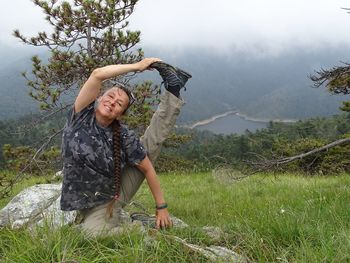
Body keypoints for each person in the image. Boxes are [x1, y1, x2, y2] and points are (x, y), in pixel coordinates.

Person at [60, 58, 192, 235]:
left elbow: (148, 169)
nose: (113, 102)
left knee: (91, 236)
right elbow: (97, 75)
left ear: (120, 115)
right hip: (85, 201)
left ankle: (139, 229)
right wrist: (137, 66)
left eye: (119, 104)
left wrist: (162, 207)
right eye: (110, 96)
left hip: (110, 199)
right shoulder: (80, 116)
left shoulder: (122, 134)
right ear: (99, 98)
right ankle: (174, 90)